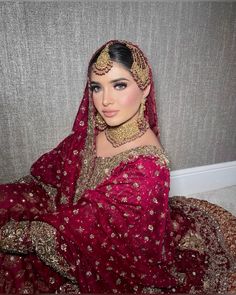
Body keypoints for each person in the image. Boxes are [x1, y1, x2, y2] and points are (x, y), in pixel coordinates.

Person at [0, 40, 235, 294]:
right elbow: (54, 168)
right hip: (66, 209)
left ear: (144, 89)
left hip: (89, 243)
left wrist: (20, 233)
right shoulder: (98, 128)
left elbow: (89, 230)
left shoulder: (148, 168)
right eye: (96, 87)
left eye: (119, 85)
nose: (105, 101)